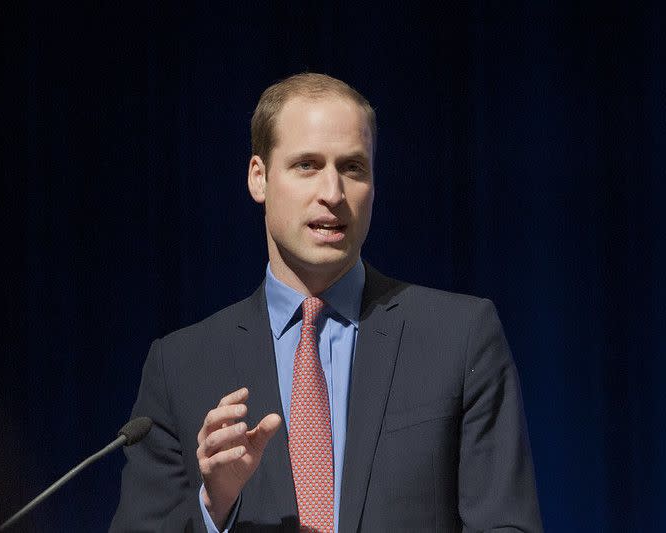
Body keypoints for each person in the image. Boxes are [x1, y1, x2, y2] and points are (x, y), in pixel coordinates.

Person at [110, 73, 543, 532]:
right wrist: (213, 505)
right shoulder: (180, 366)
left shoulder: (459, 336)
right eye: (307, 165)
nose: (333, 194)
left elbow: (507, 525)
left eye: (353, 167)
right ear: (259, 177)